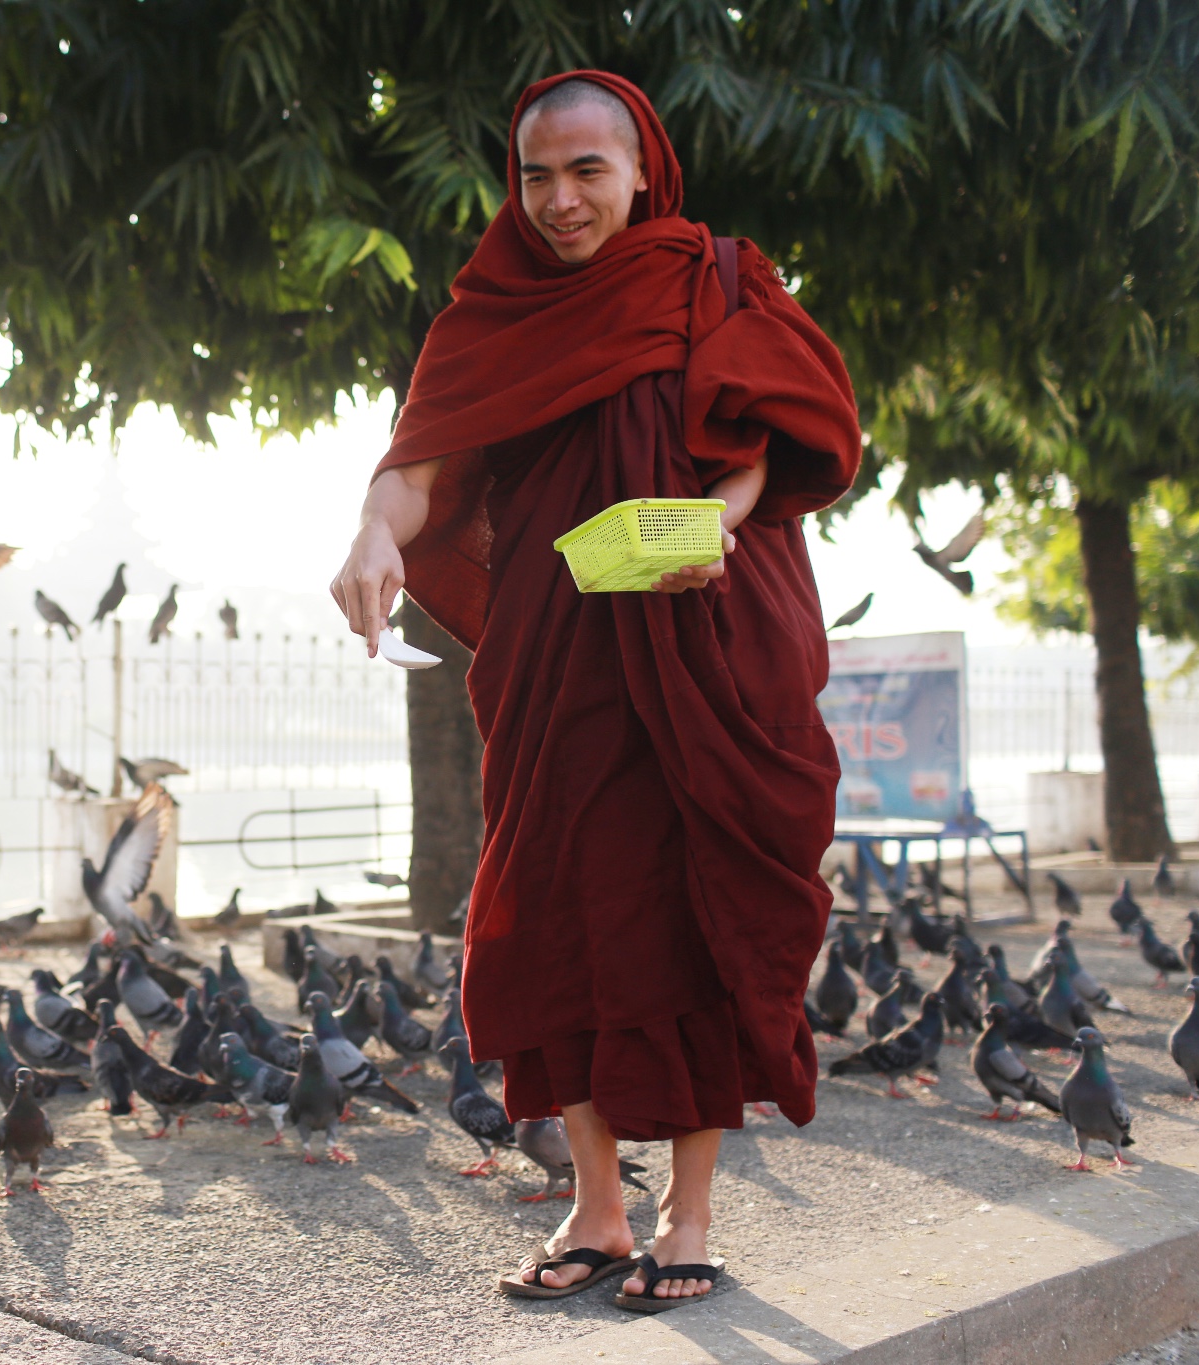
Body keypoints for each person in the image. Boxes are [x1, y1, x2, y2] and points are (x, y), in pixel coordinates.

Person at [330, 72, 860, 1311]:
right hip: (556, 654)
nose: (559, 201)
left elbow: (785, 435)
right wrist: (371, 533)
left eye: (585, 172)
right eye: (533, 176)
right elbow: (418, 467)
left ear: (639, 171)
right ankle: (593, 1207)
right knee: (551, 909)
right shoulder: (489, 315)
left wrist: (706, 518)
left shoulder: (714, 281)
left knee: (691, 908)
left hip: (701, 640)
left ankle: (686, 1215)